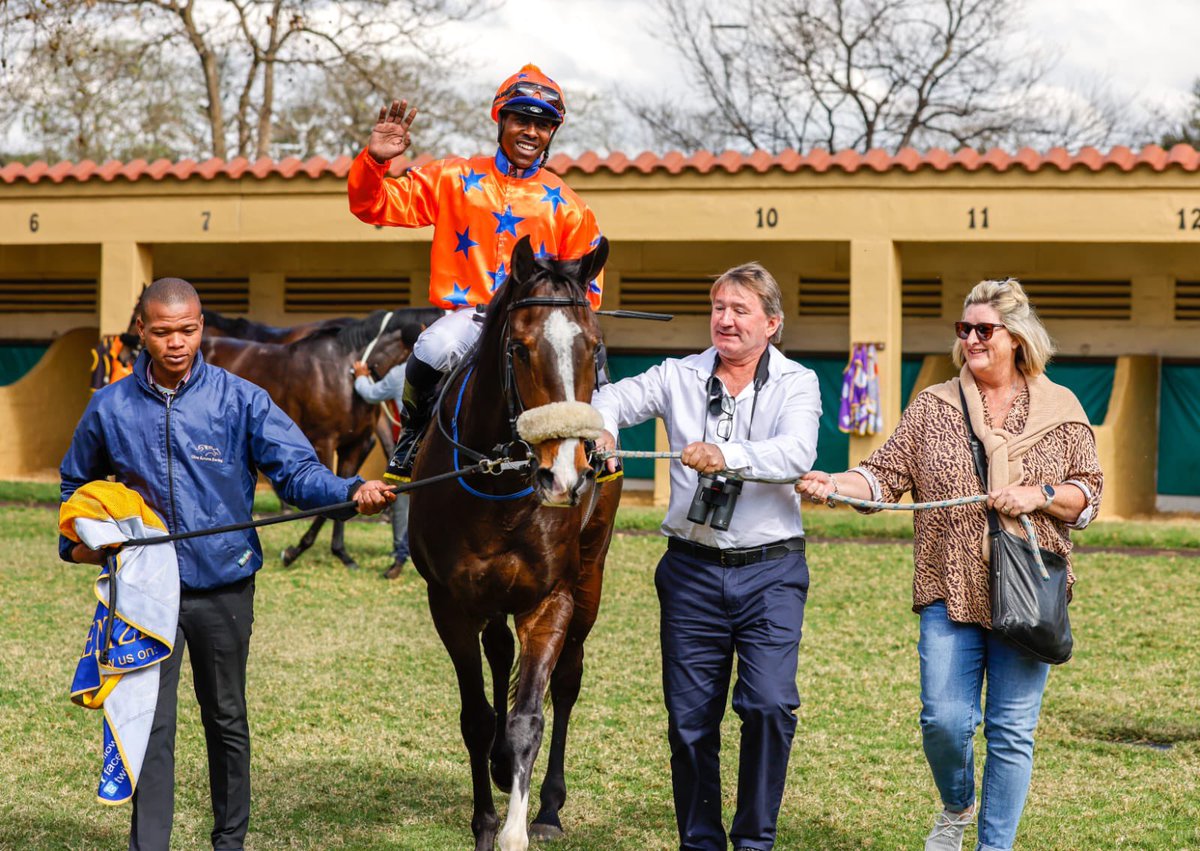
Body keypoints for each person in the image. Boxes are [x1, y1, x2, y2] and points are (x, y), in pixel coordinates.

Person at [59, 277, 393, 851]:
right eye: (162, 332)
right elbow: (75, 487)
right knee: (150, 726)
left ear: (201, 329)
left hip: (224, 584)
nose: (176, 343)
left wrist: (349, 490)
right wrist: (83, 544)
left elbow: (296, 472)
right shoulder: (108, 407)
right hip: (144, 594)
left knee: (226, 719)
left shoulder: (240, 399)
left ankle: (229, 842)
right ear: (141, 330)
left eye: (187, 330)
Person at [796, 278, 1103, 851]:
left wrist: (1038, 494)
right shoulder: (933, 406)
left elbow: (1089, 495)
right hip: (948, 585)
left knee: (1011, 733)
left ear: (1015, 337)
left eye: (984, 330)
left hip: (1028, 588)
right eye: (964, 330)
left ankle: (994, 847)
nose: (971, 340)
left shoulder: (1063, 410)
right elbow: (884, 475)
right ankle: (958, 805)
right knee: (944, 720)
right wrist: (835, 483)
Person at [593, 262, 821, 851]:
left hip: (772, 570)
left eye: (740, 310)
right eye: (718, 307)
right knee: (690, 724)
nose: (725, 320)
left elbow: (797, 453)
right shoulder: (677, 374)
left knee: (770, 706)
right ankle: (700, 843)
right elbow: (609, 399)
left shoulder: (798, 382)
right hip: (690, 571)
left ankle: (753, 842)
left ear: (772, 323)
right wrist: (603, 428)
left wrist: (726, 454)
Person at [347, 64, 605, 481]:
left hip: (538, 322)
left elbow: (587, 291)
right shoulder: (452, 177)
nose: (530, 132)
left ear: (551, 133)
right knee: (431, 349)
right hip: (472, 318)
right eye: (521, 119)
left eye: (542, 125)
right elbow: (372, 206)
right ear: (500, 120)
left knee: (586, 353)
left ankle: (594, 445)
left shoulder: (570, 206)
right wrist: (374, 163)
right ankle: (412, 438)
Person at [351, 322, 422, 578]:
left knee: (401, 501)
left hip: (409, 449)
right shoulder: (448, 365)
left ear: (403, 345)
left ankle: (400, 557)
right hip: (440, 445)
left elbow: (370, 394)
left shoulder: (399, 373)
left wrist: (360, 376)